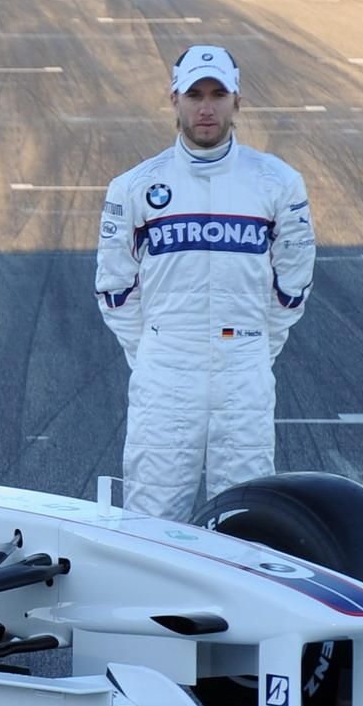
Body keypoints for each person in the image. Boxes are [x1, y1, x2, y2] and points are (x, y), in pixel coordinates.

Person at [93, 45, 316, 520]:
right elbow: (114, 288)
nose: (206, 107)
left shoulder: (279, 182)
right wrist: (157, 352)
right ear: (174, 98)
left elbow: (294, 280)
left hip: (245, 370)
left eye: (219, 93)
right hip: (166, 370)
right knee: (152, 519)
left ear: (239, 101)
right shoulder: (133, 187)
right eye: (195, 93)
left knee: (246, 518)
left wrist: (254, 345)